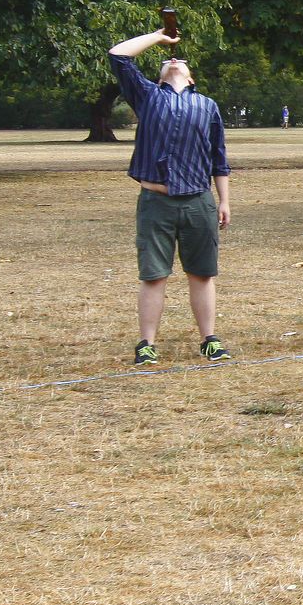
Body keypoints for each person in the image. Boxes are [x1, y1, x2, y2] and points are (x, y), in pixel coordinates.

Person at [108, 28, 232, 366]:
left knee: (202, 273)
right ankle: (146, 343)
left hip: (198, 201)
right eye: (167, 61)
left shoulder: (207, 106)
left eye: (179, 61)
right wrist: (161, 37)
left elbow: (218, 158)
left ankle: (209, 339)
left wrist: (223, 200)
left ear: (192, 78)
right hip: (155, 202)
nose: (173, 61)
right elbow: (119, 54)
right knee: (153, 274)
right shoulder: (148, 96)